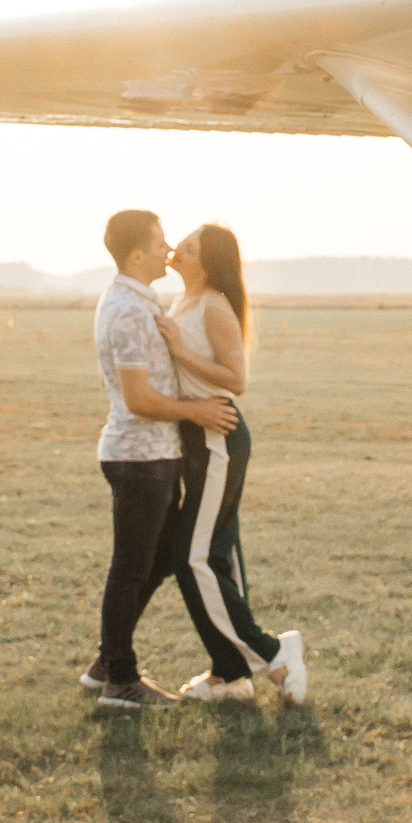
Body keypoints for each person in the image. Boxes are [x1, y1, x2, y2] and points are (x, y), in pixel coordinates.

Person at [85, 210, 239, 710]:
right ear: (135, 255)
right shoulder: (129, 309)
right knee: (132, 569)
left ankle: (107, 663)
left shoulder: (141, 301)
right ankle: (121, 682)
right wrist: (196, 411)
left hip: (154, 456)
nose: (167, 249)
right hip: (140, 459)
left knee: (155, 562)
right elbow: (138, 398)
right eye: (159, 243)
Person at [154, 223, 307, 702]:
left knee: (192, 557)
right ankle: (230, 674)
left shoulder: (214, 305)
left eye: (191, 247)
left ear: (208, 261)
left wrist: (178, 349)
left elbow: (235, 379)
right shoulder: (182, 302)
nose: (178, 248)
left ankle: (271, 653)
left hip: (217, 436)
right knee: (215, 554)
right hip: (196, 440)